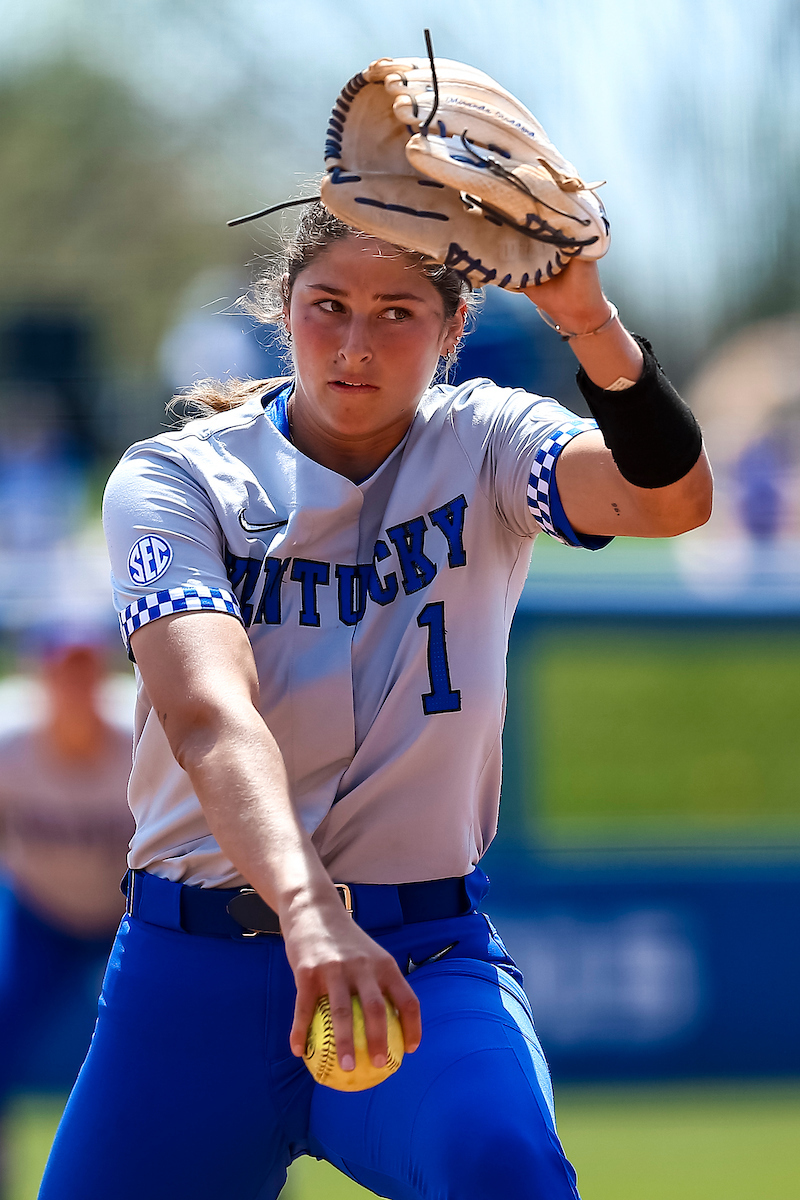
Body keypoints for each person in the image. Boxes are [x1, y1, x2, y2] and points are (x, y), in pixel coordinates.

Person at [38, 199, 712, 1200]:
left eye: (397, 312)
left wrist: (583, 314)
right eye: (328, 306)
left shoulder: (484, 442)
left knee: (506, 1168)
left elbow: (668, 499)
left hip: (421, 956)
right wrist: (307, 913)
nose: (355, 343)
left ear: (451, 333)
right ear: (283, 309)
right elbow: (206, 713)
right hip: (192, 977)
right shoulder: (180, 476)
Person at [0, 635, 133, 1197]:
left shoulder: (141, 738)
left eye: (85, 670)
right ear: (44, 678)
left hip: (126, 919)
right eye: (62, 672)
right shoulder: (11, 745)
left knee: (178, 1039)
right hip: (40, 916)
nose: (74, 687)